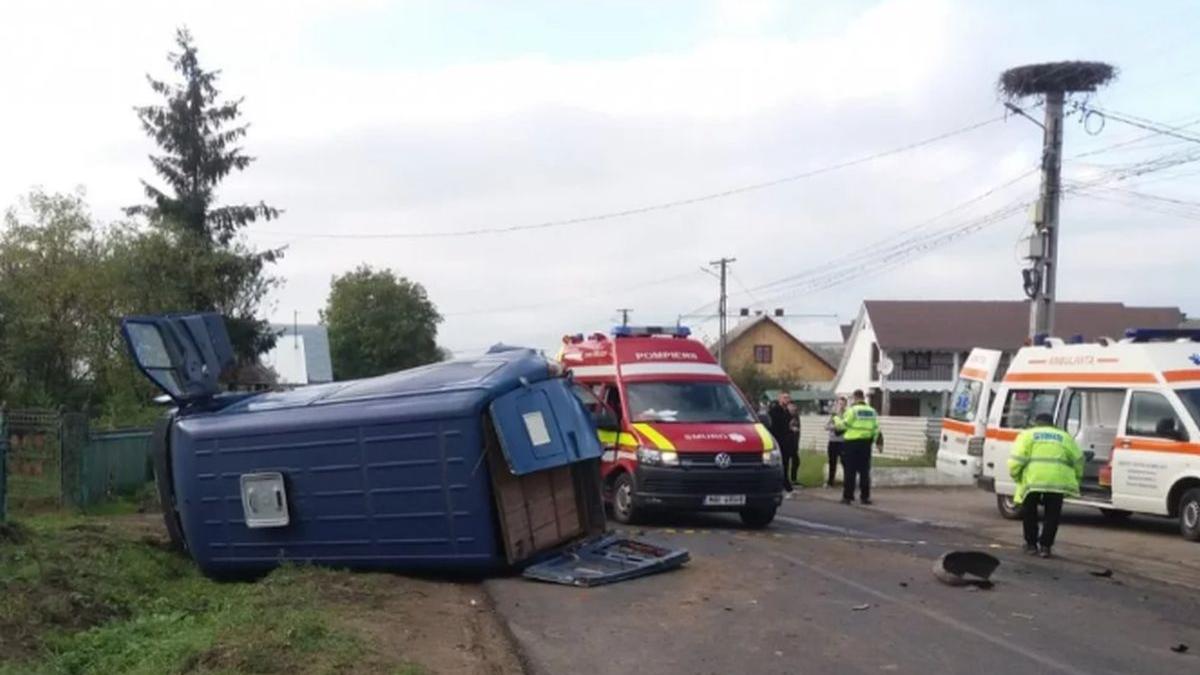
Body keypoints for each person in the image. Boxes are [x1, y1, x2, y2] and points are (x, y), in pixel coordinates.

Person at [1008, 412, 1084, 558]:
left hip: (1032, 481)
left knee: (1029, 513)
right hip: (1057, 482)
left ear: (1036, 423)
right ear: (1052, 424)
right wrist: (1077, 478)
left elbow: (1016, 460)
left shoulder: (1028, 435)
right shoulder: (1064, 437)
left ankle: (1031, 545)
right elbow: (1078, 460)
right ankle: (1045, 547)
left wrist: (1016, 476)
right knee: (1052, 515)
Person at [835, 390, 881, 505]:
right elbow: (876, 429)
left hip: (851, 443)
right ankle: (865, 497)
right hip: (866, 444)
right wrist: (875, 441)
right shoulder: (872, 411)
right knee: (864, 471)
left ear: (855, 398)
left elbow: (842, 425)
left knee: (850, 471)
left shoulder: (852, 410)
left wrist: (836, 417)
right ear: (863, 398)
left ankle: (848, 497)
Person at [768, 391, 798, 492]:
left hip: (787, 442)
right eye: (784, 398)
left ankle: (785, 485)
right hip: (778, 441)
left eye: (788, 398)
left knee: (786, 464)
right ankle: (785, 486)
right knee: (779, 464)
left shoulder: (787, 412)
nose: (787, 400)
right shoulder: (775, 411)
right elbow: (778, 425)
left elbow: (789, 425)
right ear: (779, 399)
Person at [824, 397, 847, 488]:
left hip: (843, 442)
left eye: (843, 404)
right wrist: (833, 427)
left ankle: (847, 482)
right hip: (833, 441)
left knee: (845, 462)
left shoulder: (847, 415)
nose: (841, 406)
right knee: (832, 462)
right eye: (839, 404)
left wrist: (841, 427)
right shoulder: (834, 415)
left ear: (845, 405)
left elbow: (847, 426)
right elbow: (826, 426)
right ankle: (830, 482)